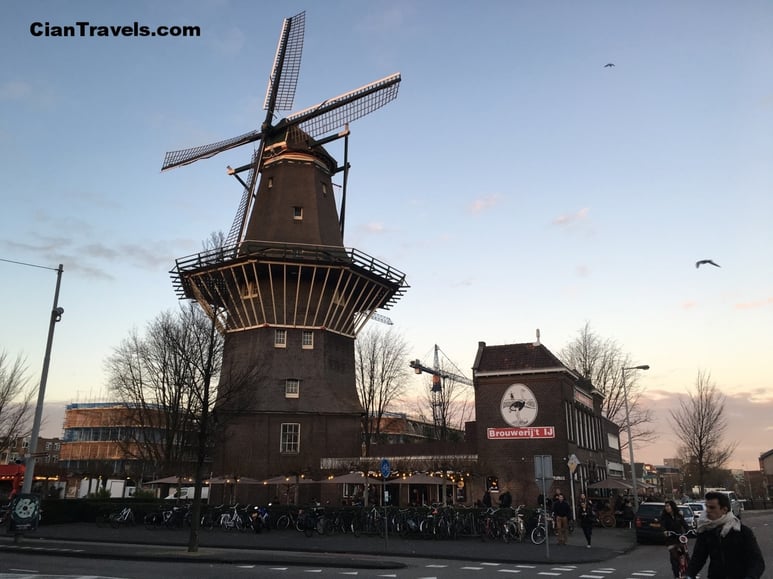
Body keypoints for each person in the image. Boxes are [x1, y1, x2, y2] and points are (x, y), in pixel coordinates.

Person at [685, 491, 765, 579]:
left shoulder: (741, 531)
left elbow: (757, 561)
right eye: (706, 506)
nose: (707, 510)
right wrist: (689, 575)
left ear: (724, 509)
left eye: (712, 507)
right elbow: (698, 558)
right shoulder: (705, 530)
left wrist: (751, 577)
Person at [662, 500, 690, 578]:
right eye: (666, 506)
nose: (667, 508)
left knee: (686, 555)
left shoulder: (679, 515)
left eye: (668, 506)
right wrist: (665, 531)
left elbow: (685, 524)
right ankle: (676, 576)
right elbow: (663, 526)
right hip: (671, 540)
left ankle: (688, 572)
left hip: (680, 538)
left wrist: (689, 530)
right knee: (674, 559)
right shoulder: (664, 517)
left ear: (672, 506)